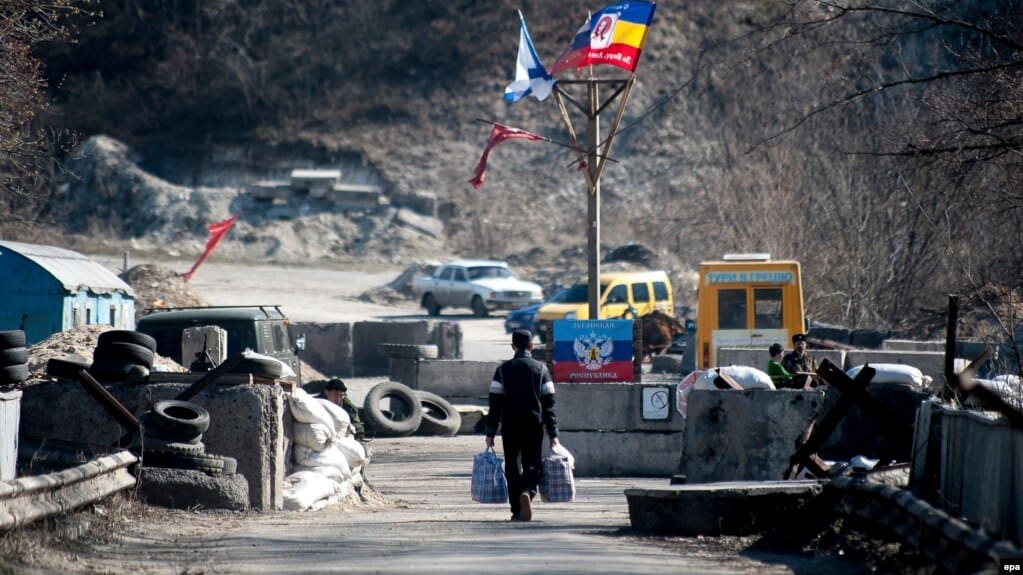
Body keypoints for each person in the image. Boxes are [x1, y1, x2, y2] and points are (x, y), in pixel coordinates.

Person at [485, 329, 560, 522]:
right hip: (534, 425)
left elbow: (494, 404)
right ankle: (528, 491)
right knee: (533, 463)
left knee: (511, 465)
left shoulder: (502, 370)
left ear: (513, 347)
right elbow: (549, 405)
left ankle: (516, 510)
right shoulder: (542, 370)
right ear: (531, 346)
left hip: (510, 425)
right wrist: (553, 433)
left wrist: (490, 431)